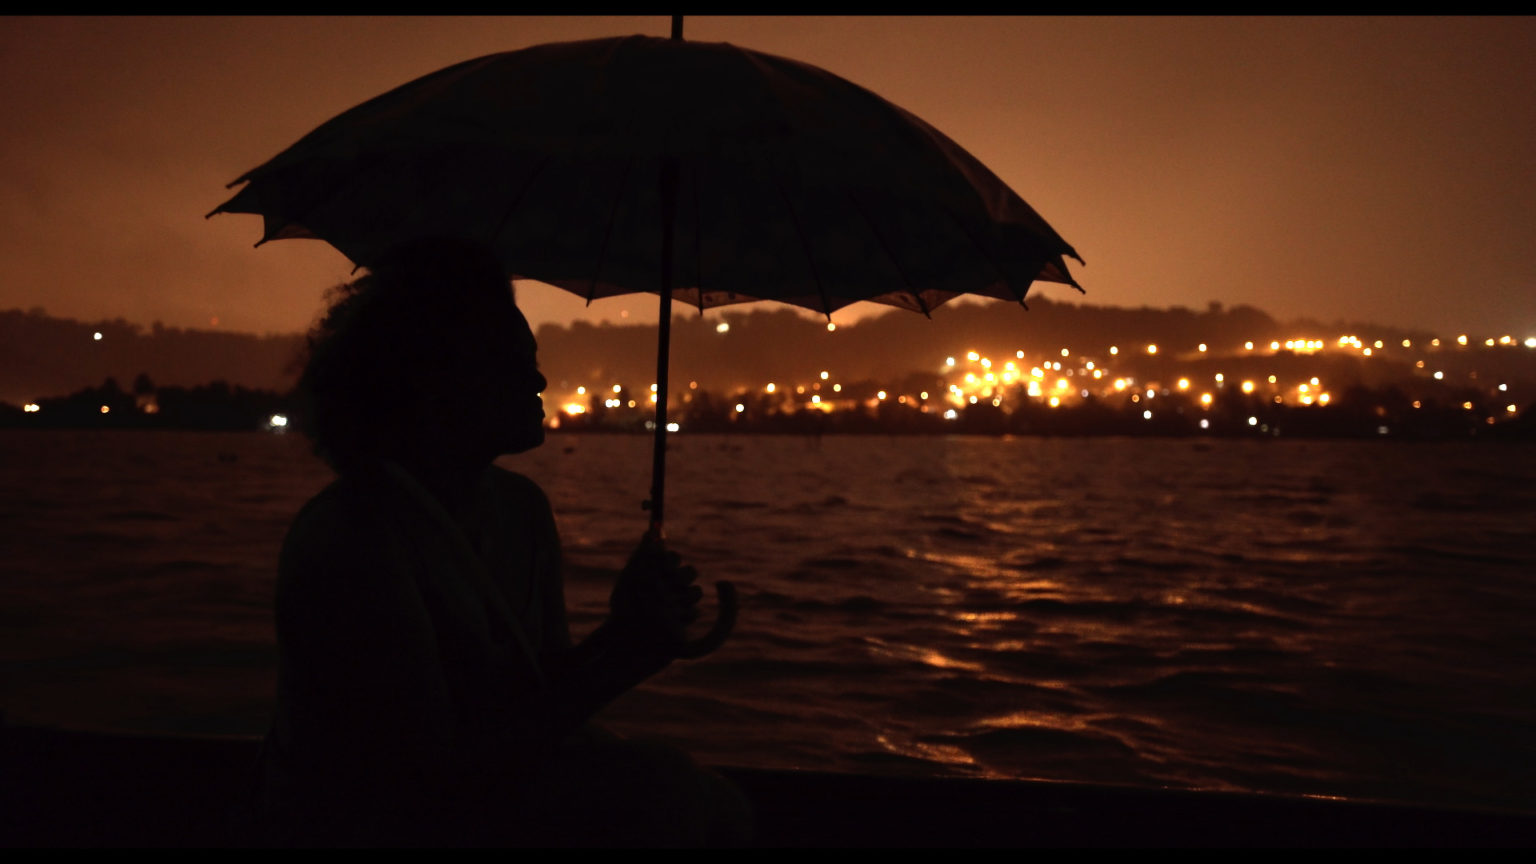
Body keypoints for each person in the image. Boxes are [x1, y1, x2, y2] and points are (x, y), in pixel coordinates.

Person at [253, 236, 750, 846]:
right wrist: (621, 655)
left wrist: (626, 633)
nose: (537, 378)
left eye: (531, 358)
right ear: (433, 380)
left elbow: (538, 693)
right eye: (509, 362)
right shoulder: (353, 540)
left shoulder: (521, 510)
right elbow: (426, 779)